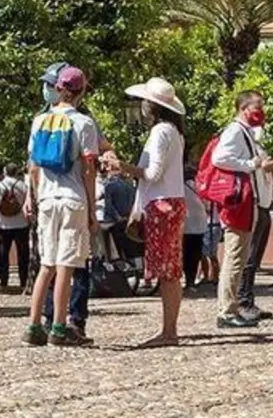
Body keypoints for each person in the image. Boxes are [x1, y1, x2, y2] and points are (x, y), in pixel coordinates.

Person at [23, 65, 100, 348]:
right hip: (73, 198)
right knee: (67, 265)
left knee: (47, 264)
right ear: (81, 92)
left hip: (46, 199)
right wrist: (92, 210)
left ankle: (33, 326)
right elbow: (89, 170)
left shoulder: (39, 121)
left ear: (58, 88)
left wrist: (32, 196)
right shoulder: (84, 123)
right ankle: (58, 326)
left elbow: (33, 167)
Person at [107, 77, 187, 348]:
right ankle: (170, 328)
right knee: (171, 270)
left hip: (161, 204)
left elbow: (152, 174)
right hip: (172, 202)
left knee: (166, 271)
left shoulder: (160, 132)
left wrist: (122, 167)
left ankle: (169, 331)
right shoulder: (175, 132)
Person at [212, 90, 273, 329]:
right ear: (243, 109)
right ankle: (227, 311)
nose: (260, 113)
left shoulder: (246, 133)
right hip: (238, 202)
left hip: (249, 201)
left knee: (240, 257)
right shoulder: (234, 131)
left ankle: (232, 307)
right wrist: (253, 164)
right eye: (256, 108)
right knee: (234, 256)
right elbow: (219, 158)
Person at [0, 163, 31, 290]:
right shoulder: (23, 186)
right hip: (21, 224)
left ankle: (3, 280)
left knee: (3, 254)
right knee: (23, 254)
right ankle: (23, 279)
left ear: (5, 172)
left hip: (4, 225)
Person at [182, 168, 209, 291]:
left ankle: (184, 280)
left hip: (184, 226)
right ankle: (191, 282)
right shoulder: (199, 187)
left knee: (184, 254)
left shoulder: (179, 188)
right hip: (200, 225)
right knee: (195, 255)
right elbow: (207, 204)